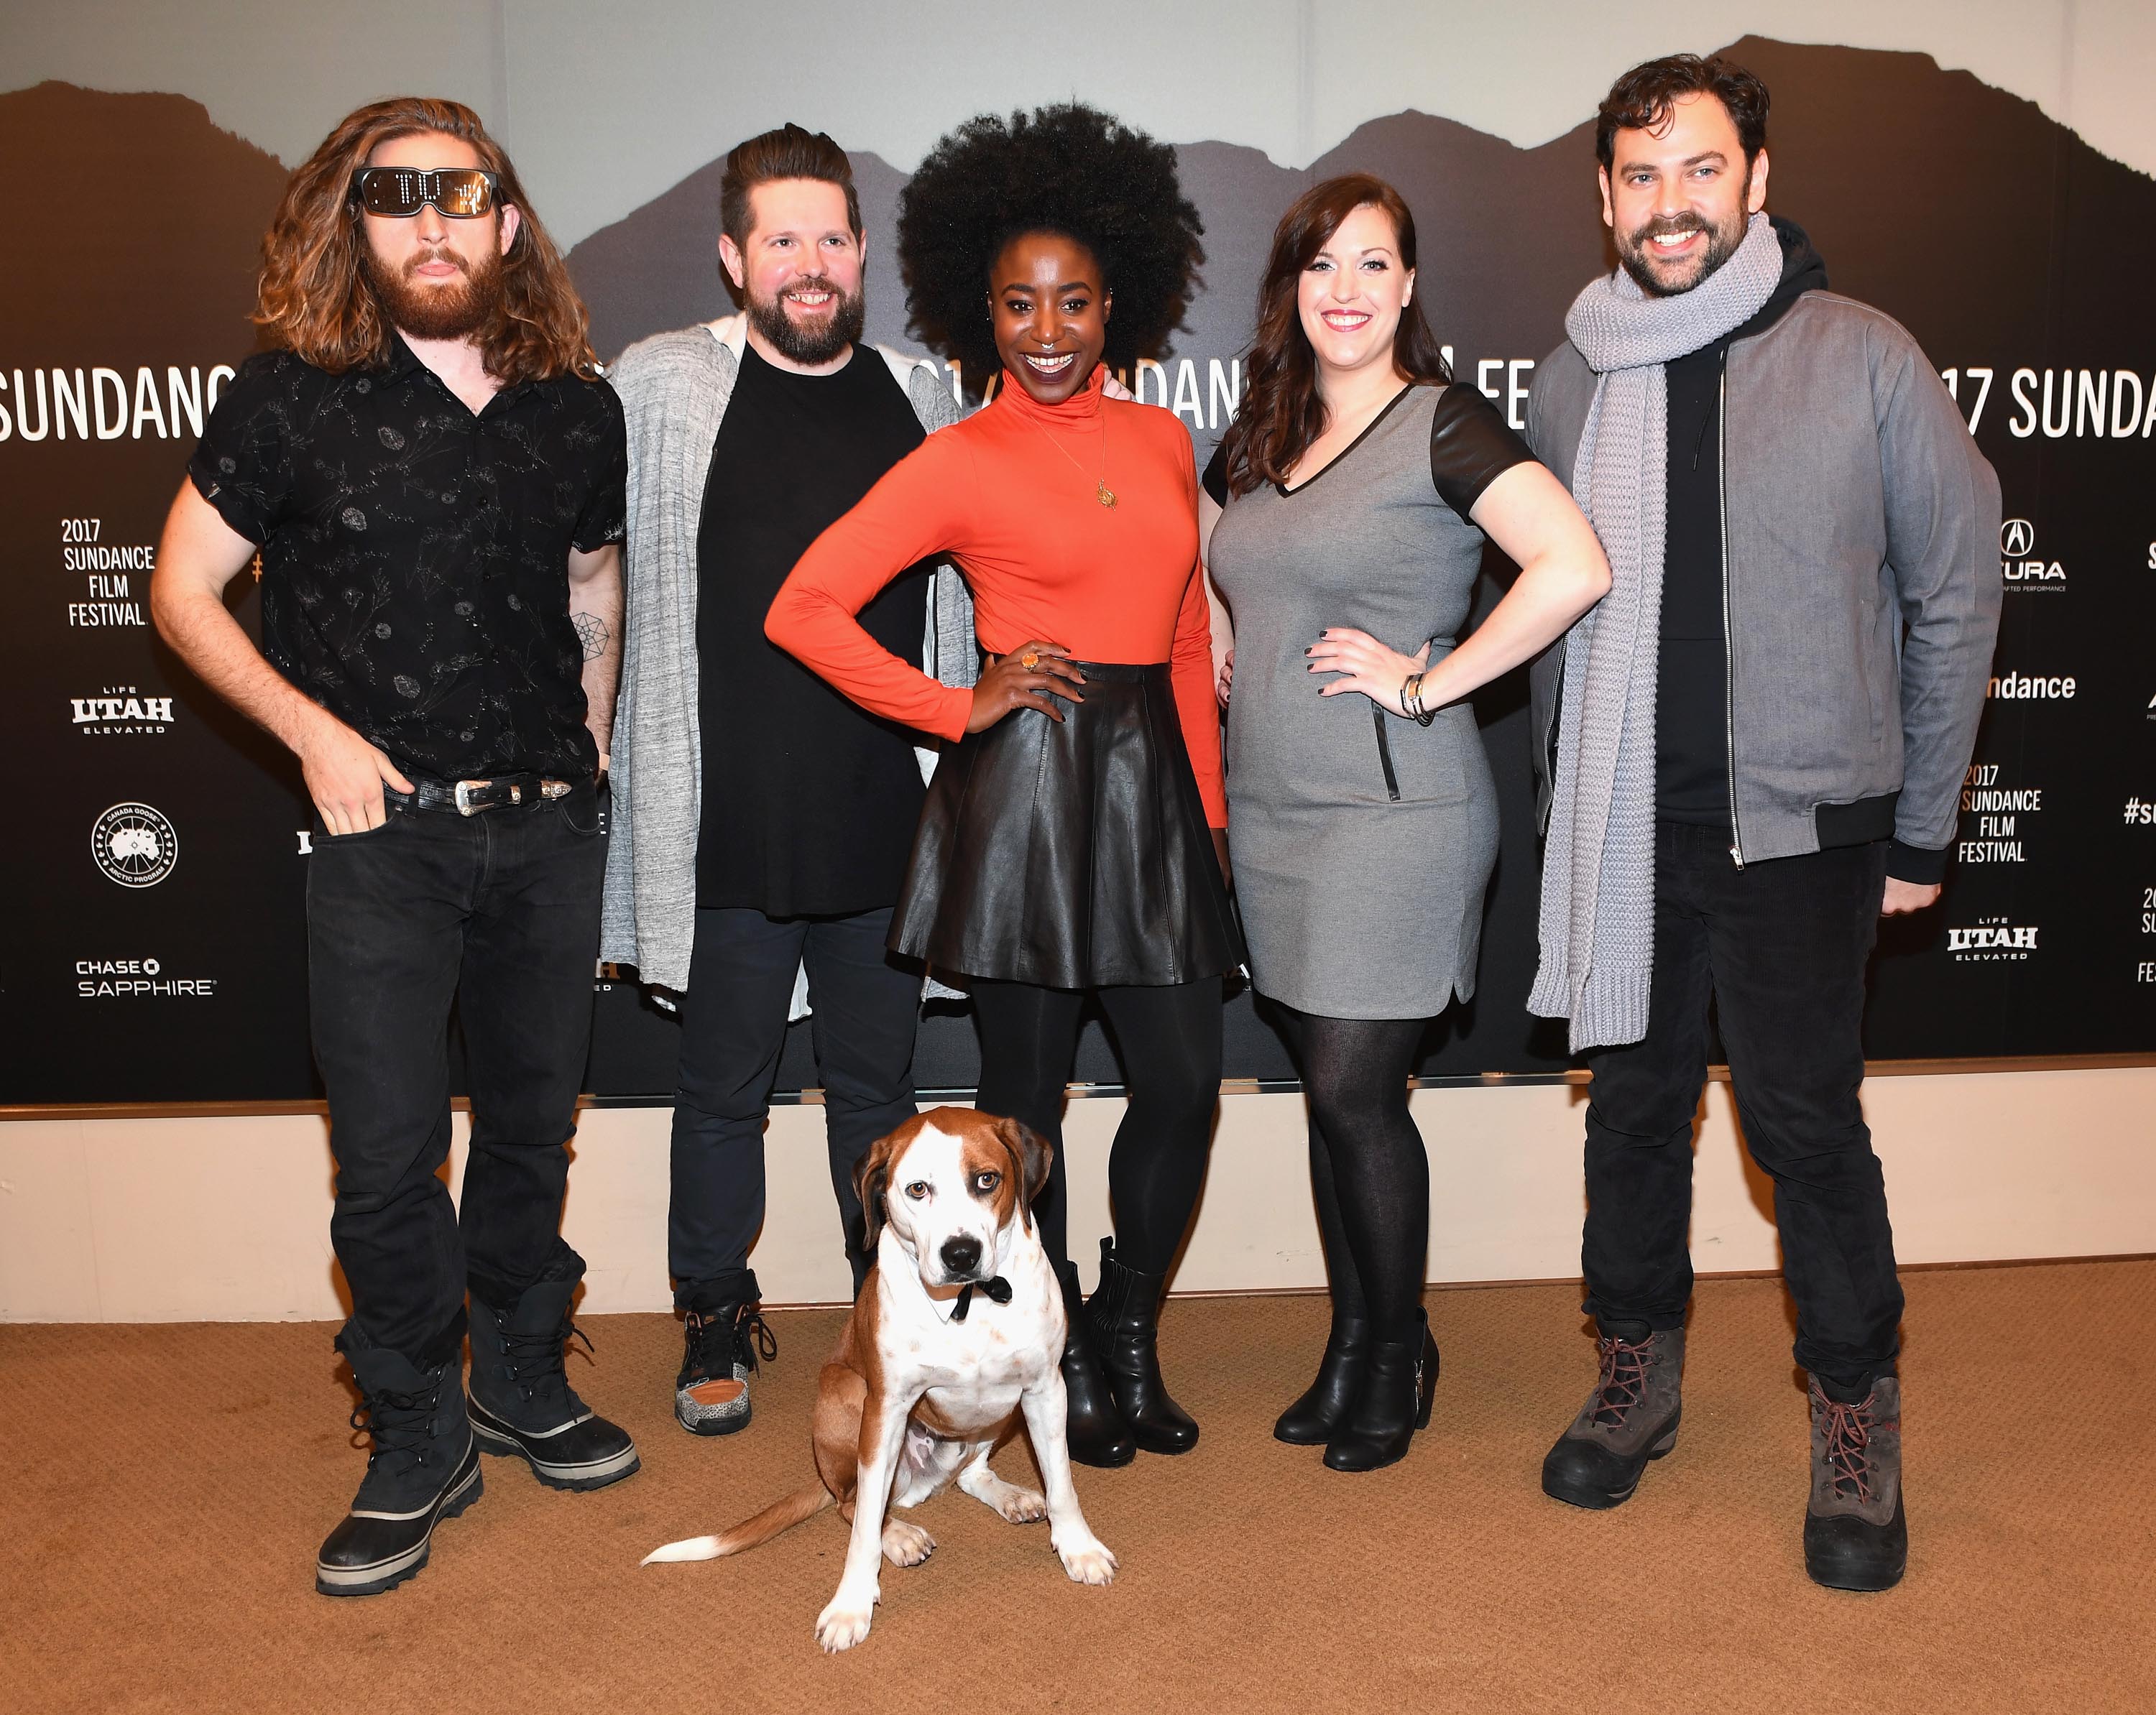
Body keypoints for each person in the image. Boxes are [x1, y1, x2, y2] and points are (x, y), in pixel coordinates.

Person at [1524, 55, 2001, 1590]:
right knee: (1638, 1116)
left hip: (1802, 837)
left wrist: (1923, 828)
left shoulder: (1862, 353)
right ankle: (1636, 1368)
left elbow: (1955, 586)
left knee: (1805, 1131)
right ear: (1606, 195)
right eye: (1642, 177)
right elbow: (1551, 606)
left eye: (1701, 171)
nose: (1672, 206)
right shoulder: (1574, 372)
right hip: (1624, 834)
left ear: (1758, 183)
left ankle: (1856, 1414)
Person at [149, 98, 639, 1596]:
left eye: (462, 194)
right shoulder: (292, 396)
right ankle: (416, 1418)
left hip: (547, 836)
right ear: (353, 222)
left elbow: (594, 582)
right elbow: (180, 593)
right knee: (383, 1158)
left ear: (507, 218)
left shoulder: (577, 403)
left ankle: (517, 1367)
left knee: (535, 1131)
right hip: (380, 846)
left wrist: (596, 757)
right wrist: (308, 731)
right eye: (397, 196)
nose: (434, 224)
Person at [766, 103, 1233, 1469]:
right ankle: (1067, 1348)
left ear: (1117, 306)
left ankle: (1129, 1334)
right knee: (1026, 1110)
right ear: (985, 309)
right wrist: (951, 703)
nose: (1046, 328)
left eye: (1074, 301)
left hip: (1154, 791)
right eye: (1020, 303)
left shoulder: (1157, 439)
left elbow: (1193, 630)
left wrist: (1204, 815)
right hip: (1024, 795)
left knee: (1186, 1086)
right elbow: (806, 606)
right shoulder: (957, 458)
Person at [1199, 176, 1611, 1471]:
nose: (1348, 289)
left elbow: (1574, 564)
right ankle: (1351, 1343)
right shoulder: (1263, 436)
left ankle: (1398, 1350)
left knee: (1357, 1095)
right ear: (1291, 288)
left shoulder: (1442, 423)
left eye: (1375, 264)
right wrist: (1227, 645)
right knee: (1331, 1098)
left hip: (1395, 811)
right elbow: (1224, 564)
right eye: (1324, 265)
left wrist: (1428, 678)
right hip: (1272, 816)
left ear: (1409, 286)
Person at [602, 124, 977, 1441]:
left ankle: (891, 1321)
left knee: (880, 1106)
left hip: (883, 819)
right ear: (733, 256)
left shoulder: (921, 397)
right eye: (782, 241)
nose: (809, 266)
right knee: (720, 1093)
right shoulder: (659, 386)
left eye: (831, 239)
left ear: (861, 253)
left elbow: (977, 587)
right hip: (725, 822)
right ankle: (713, 1309)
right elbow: (593, 564)